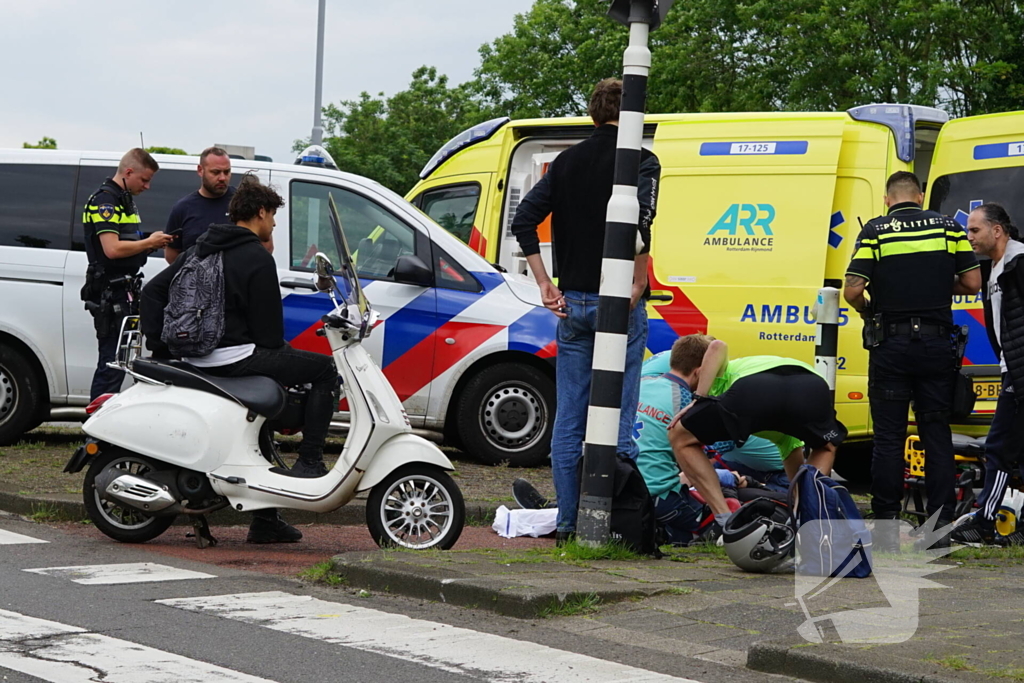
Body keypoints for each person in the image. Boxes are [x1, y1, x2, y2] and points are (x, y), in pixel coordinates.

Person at [141, 177, 339, 543]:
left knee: (260, 416)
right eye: (274, 216)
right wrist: (287, 352)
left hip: (198, 360)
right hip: (234, 359)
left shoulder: (201, 248)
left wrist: (163, 348)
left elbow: (153, 291)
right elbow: (267, 338)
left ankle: (265, 521)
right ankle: (310, 461)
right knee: (325, 371)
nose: (275, 224)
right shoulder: (257, 258)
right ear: (260, 213)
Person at [510, 77, 661, 543]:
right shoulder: (643, 160)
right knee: (620, 414)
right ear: (631, 110)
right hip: (619, 305)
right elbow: (640, 222)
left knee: (569, 420)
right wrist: (638, 281)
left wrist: (543, 283)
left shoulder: (565, 163)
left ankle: (573, 523)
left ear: (594, 114)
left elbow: (523, 221)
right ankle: (616, 522)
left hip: (571, 303)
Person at [843, 171, 980, 547]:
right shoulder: (948, 228)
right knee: (936, 435)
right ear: (919, 196)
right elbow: (971, 283)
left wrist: (870, 309)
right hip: (937, 348)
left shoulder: (875, 231)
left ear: (888, 199)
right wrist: (937, 287)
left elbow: (852, 289)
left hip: (891, 346)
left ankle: (886, 527)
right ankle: (940, 531)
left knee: (889, 436)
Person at [667, 338, 845, 538]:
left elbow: (717, 346)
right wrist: (800, 505)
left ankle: (725, 521)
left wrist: (698, 399)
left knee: (680, 437)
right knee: (826, 446)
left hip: (755, 387)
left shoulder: (721, 371)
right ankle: (806, 522)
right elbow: (796, 470)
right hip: (812, 385)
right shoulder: (784, 434)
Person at [635, 335, 799, 544]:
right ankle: (673, 535)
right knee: (723, 519)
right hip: (660, 496)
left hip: (627, 487)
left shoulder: (642, 384)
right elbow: (707, 457)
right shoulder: (687, 403)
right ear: (699, 372)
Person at [953, 204, 1024, 545]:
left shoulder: (1019, 263)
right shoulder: (992, 270)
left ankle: (984, 519)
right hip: (1011, 367)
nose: (970, 238)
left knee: (998, 446)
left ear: (997, 230)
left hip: (1020, 371)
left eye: (974, 230)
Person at [82, 148, 173, 401]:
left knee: (122, 362)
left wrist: (152, 240)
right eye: (144, 180)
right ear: (129, 172)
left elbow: (128, 239)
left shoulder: (124, 199)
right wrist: (148, 243)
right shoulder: (106, 201)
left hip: (126, 292)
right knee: (111, 364)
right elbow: (112, 249)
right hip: (111, 295)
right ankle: (94, 434)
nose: (147, 186)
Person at [164, 147, 235, 264]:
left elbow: (264, 245)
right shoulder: (183, 208)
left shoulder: (242, 202)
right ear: (200, 170)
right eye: (216, 172)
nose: (223, 178)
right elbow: (172, 255)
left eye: (227, 172)